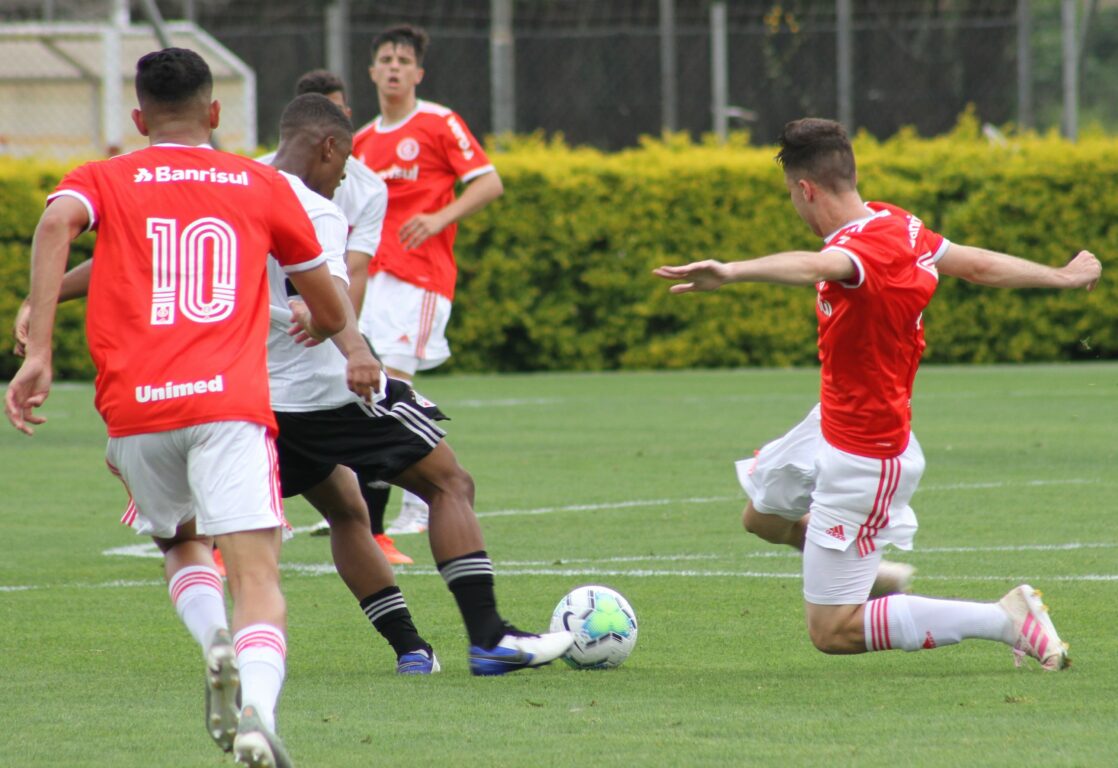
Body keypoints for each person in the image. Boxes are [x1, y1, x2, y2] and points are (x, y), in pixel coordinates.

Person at [4, 47, 349, 768]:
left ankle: (211, 640)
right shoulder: (259, 184)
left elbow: (54, 225)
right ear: (215, 113)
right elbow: (330, 304)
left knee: (179, 541)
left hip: (135, 413)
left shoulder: (105, 178)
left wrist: (38, 344)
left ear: (138, 117)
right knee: (258, 577)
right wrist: (322, 318)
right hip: (229, 408)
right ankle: (255, 714)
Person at [654, 117, 1100, 669]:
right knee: (761, 518)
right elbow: (978, 265)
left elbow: (814, 264)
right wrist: (1061, 276)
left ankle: (1008, 619)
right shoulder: (898, 224)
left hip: (864, 453)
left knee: (832, 631)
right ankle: (872, 572)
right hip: (829, 422)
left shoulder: (859, 252)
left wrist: (732, 271)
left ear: (805, 189)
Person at [352, 23, 504, 537]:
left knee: (394, 387)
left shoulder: (439, 123)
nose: (394, 67)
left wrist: (439, 218)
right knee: (368, 392)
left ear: (418, 72)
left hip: (419, 278)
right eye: (385, 59)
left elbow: (489, 182)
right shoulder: (362, 141)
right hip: (369, 281)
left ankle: (423, 499)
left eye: (403, 60)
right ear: (372, 71)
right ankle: (366, 509)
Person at [258, 68, 413, 566]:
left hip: (257, 379)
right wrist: (353, 346)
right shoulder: (319, 209)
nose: (345, 170)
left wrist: (349, 338)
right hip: (294, 378)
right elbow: (334, 285)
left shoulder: (241, 182)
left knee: (344, 504)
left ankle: (409, 640)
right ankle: (486, 634)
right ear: (326, 140)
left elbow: (353, 274)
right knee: (448, 478)